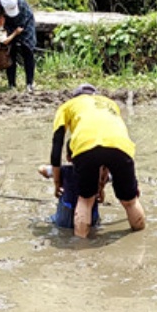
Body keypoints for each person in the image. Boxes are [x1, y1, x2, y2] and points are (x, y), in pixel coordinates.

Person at [49, 84, 147, 238]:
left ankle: (81, 245)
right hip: (121, 146)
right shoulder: (109, 104)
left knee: (86, 201)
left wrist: (57, 184)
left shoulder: (67, 106)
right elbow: (109, 146)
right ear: (95, 95)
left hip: (85, 146)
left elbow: (57, 146)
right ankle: (140, 240)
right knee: (131, 201)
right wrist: (101, 187)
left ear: (76, 97)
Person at [37, 145, 103, 229]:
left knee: (53, 221)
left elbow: (41, 169)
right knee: (95, 223)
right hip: (89, 214)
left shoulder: (62, 171)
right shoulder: (97, 173)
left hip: (65, 216)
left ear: (68, 157)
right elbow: (112, 176)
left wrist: (56, 180)